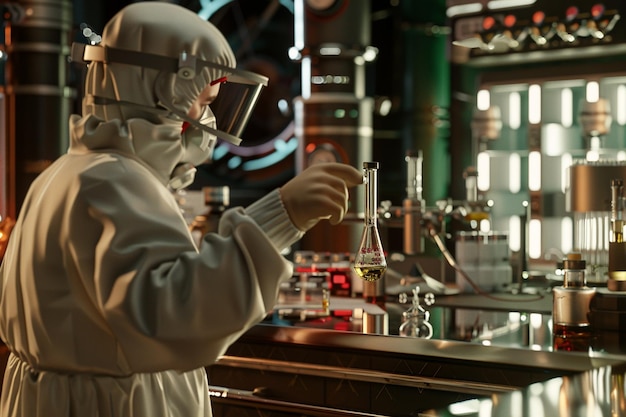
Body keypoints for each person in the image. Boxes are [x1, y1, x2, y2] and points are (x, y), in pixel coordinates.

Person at [0, 2, 363, 417]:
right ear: (164, 90)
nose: (207, 118)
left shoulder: (68, 172)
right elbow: (175, 316)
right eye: (204, 100)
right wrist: (280, 216)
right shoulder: (116, 182)